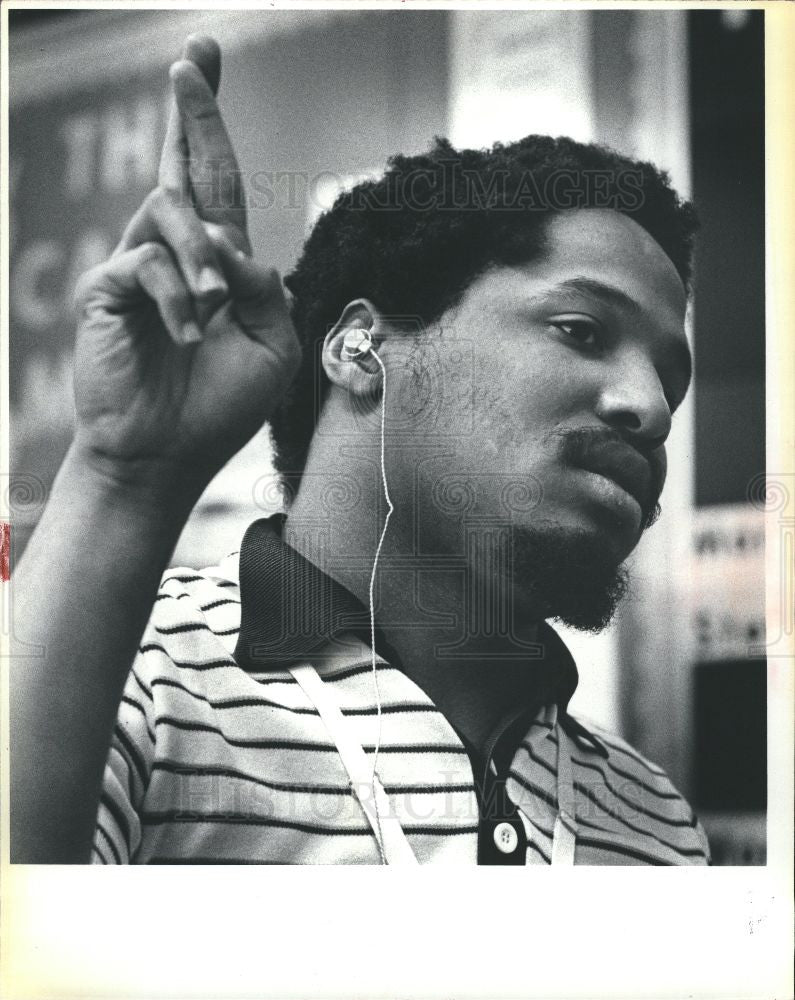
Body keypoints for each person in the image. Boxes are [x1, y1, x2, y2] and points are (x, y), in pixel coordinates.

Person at [11, 35, 710, 865]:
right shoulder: (133, 681)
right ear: (358, 350)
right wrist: (122, 476)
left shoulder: (654, 817)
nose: (649, 407)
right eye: (581, 330)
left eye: (671, 379)